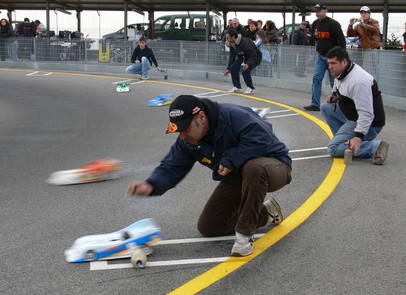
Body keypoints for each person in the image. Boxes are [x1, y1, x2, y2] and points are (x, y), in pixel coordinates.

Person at [128, 95, 292, 257]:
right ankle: (267, 212)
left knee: (254, 168)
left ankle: (244, 235)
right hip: (235, 177)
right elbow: (172, 166)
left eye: (185, 129)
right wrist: (151, 185)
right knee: (210, 227)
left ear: (201, 117)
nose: (182, 136)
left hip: (274, 167)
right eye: (178, 130)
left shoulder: (233, 115)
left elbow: (262, 138)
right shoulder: (187, 140)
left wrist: (231, 159)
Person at [321, 46, 388, 165]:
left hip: (370, 124)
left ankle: (375, 147)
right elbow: (338, 82)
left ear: (344, 62)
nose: (330, 67)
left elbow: (366, 114)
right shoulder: (343, 71)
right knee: (326, 107)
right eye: (328, 63)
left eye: (333, 63)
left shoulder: (358, 81)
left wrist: (358, 137)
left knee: (333, 149)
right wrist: (334, 94)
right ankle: (345, 142)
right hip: (352, 117)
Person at [304, 3, 346, 111]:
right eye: (316, 11)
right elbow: (315, 38)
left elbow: (341, 42)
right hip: (321, 57)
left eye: (319, 11)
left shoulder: (333, 24)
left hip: (333, 59)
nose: (317, 13)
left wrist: (340, 58)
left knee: (335, 82)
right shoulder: (315, 24)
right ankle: (315, 104)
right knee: (316, 79)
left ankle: (339, 106)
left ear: (325, 10)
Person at [224, 29, 262, 94]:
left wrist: (248, 64)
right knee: (233, 68)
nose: (226, 40)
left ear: (233, 37)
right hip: (243, 57)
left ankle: (250, 88)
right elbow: (232, 57)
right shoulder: (232, 45)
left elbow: (253, 55)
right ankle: (237, 87)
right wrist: (228, 68)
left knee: (245, 71)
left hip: (255, 57)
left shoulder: (245, 42)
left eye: (228, 38)